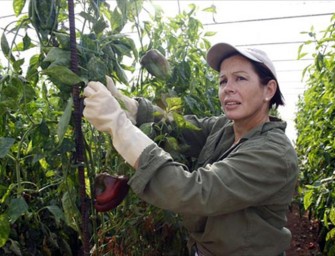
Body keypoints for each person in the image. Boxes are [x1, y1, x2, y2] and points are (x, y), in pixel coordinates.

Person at [83, 42, 299, 256]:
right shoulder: (225, 127)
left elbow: (195, 191)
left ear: (269, 90)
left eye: (240, 78)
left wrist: (119, 126)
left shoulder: (273, 153)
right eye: (223, 81)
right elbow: (180, 127)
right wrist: (134, 108)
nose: (228, 88)